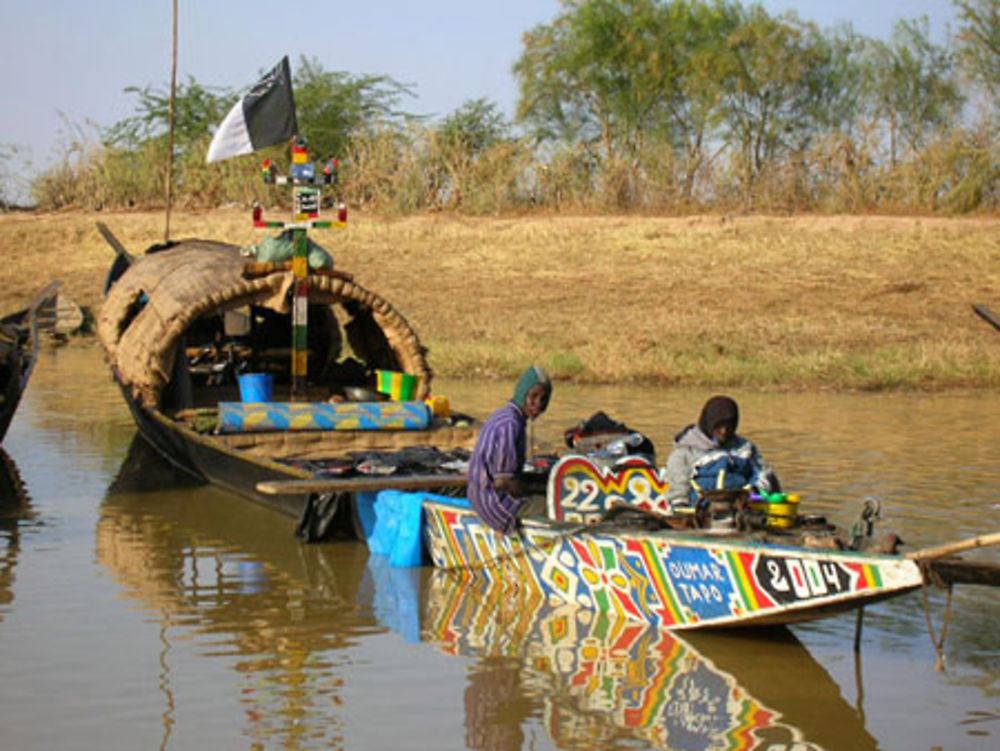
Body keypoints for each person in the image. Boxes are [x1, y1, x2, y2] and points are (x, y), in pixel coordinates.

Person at [467, 365, 552, 534]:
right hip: (495, 503)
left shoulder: (504, 416)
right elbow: (503, 481)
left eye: (543, 399)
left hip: (483, 496)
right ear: (522, 394)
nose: (538, 405)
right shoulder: (510, 424)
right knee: (554, 506)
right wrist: (530, 492)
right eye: (533, 397)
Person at [663, 395, 779, 510]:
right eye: (719, 427)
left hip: (742, 507)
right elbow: (677, 484)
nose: (724, 432)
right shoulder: (686, 451)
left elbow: (763, 474)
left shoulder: (745, 449)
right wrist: (680, 507)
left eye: (729, 427)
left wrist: (755, 493)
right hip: (701, 510)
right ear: (709, 424)